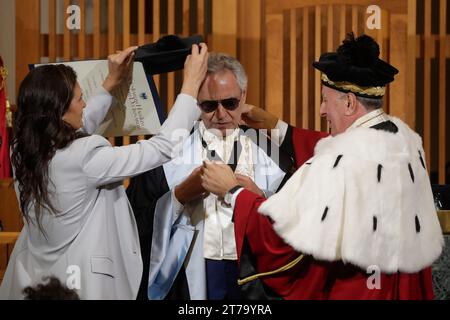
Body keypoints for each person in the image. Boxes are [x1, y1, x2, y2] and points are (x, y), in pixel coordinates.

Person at [201, 33, 444, 299]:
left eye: (326, 100)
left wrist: (236, 194)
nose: (321, 110)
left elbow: (285, 242)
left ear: (350, 102)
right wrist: (278, 127)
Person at [0, 43, 208, 300]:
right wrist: (190, 86)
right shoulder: (85, 155)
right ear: (59, 111)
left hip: (33, 281)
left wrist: (111, 81)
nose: (85, 104)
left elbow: (73, 126)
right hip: (82, 286)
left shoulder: (21, 147)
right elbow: (162, 148)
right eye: (79, 98)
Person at [126, 52, 324, 300]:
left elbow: (302, 220)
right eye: (209, 105)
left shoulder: (273, 154)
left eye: (230, 103)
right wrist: (178, 197)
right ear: (196, 102)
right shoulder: (166, 155)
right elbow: (133, 225)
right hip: (189, 277)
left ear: (243, 96)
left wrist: (261, 197)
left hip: (254, 277)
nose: (220, 114)